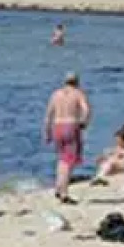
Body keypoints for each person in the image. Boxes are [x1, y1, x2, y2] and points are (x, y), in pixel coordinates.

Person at [43, 71, 91, 203]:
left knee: (62, 158)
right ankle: (64, 192)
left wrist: (47, 132)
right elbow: (86, 109)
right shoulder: (78, 93)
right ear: (77, 82)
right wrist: (84, 122)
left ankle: (58, 187)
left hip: (57, 126)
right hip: (71, 125)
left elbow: (48, 115)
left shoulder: (56, 94)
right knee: (69, 160)